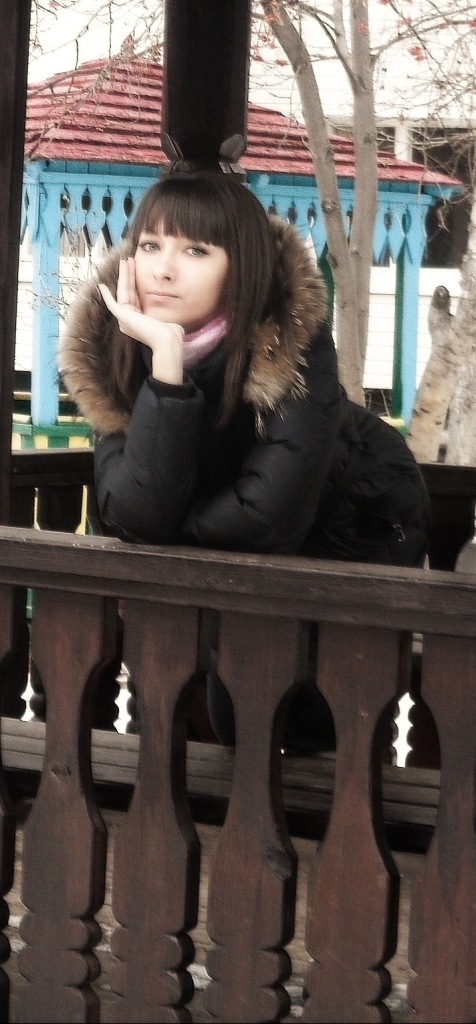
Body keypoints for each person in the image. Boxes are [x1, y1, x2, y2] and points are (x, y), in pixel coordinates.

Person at [58, 166, 430, 752]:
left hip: (359, 520)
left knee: (327, 723)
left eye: (196, 250)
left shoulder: (291, 340)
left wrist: (169, 531)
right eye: (150, 245)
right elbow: (133, 515)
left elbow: (267, 520)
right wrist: (166, 362)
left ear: (242, 268)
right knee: (227, 710)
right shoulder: (120, 348)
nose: (163, 268)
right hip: (233, 549)